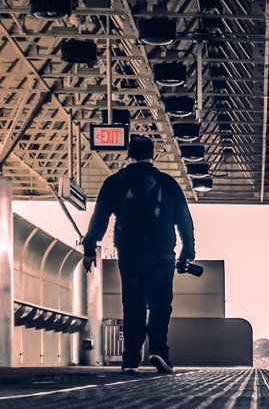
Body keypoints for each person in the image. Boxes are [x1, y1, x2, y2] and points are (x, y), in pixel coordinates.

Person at [82, 135, 195, 374]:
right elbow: (184, 220)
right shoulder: (167, 183)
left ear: (127, 155)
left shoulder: (115, 182)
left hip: (130, 253)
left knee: (132, 304)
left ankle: (131, 357)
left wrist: (90, 247)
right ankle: (158, 351)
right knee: (160, 304)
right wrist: (188, 250)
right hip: (162, 253)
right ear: (152, 155)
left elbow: (99, 218)